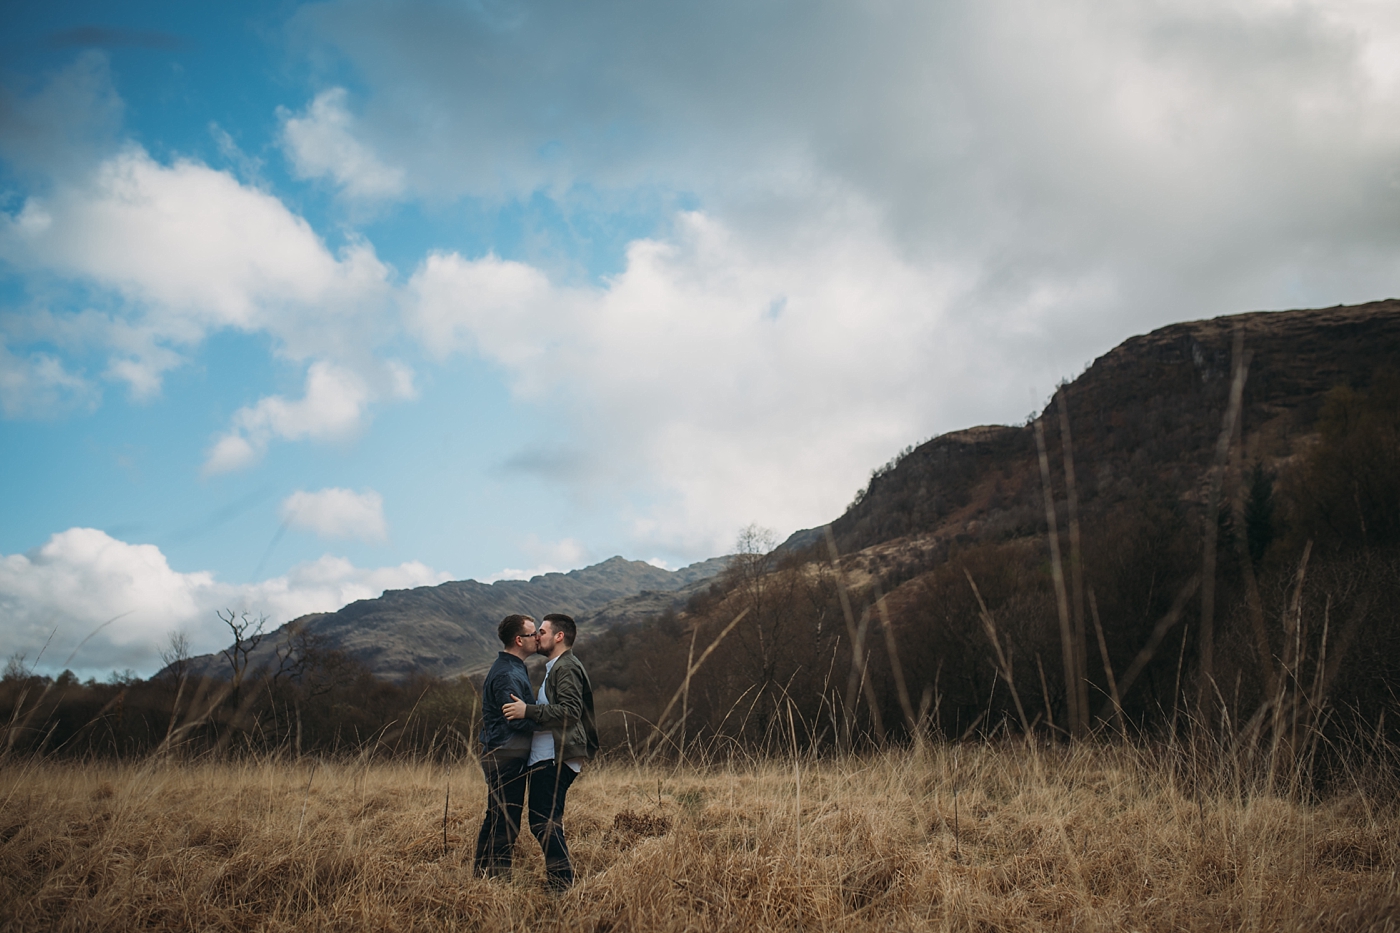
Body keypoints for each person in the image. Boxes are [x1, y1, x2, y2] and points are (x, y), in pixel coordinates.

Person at [503, 612, 599, 891]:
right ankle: (561, 884)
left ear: (559, 636)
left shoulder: (566, 667)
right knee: (545, 821)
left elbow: (570, 712)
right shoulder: (556, 667)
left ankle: (562, 887)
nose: (537, 636)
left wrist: (526, 711)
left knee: (542, 822)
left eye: (542, 632)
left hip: (556, 757)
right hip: (549, 757)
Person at [473, 613, 538, 878]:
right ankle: (498, 881)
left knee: (497, 816)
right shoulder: (507, 674)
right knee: (505, 820)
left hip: (505, 753)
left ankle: (481, 876)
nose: (537, 638)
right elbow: (516, 720)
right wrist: (547, 719)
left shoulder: (513, 668)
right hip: (505, 755)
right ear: (518, 640)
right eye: (532, 634)